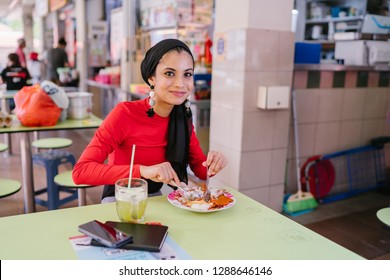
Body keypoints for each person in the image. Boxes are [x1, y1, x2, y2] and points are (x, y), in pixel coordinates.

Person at [72, 38, 228, 202]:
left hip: (157, 197)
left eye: (187, 74)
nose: (180, 83)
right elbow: (81, 172)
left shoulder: (182, 117)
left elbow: (200, 170)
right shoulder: (125, 113)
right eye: (169, 73)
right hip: (121, 198)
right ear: (151, 77)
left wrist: (213, 163)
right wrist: (143, 171)